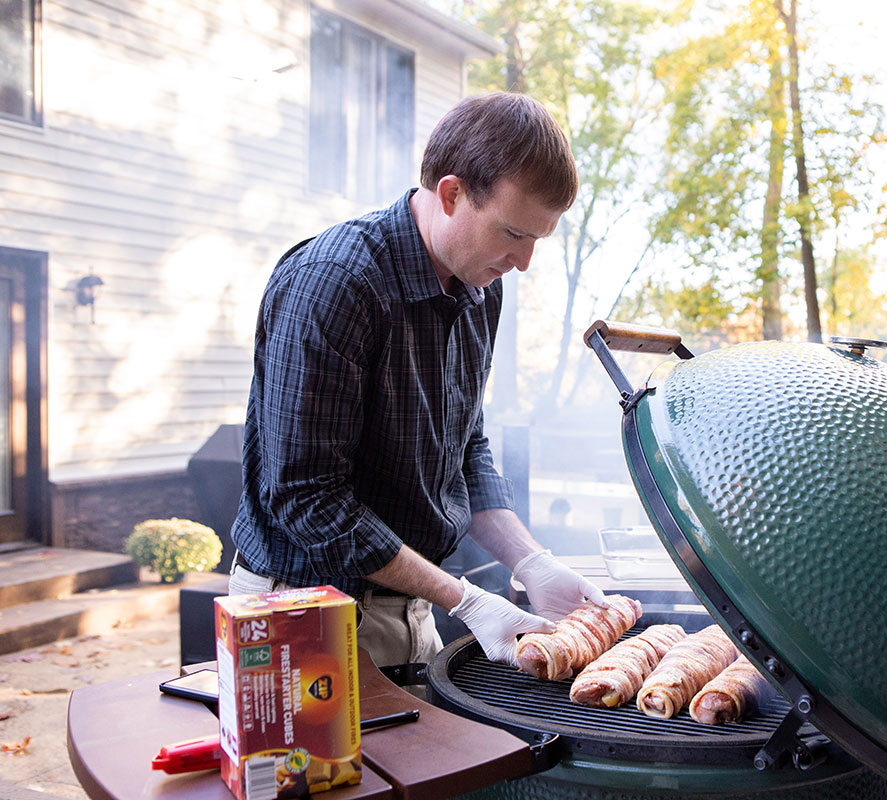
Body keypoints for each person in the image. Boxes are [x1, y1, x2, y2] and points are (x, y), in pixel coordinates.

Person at [228, 92, 606, 671]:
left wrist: (532, 562)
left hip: (413, 606)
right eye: (514, 234)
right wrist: (468, 599)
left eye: (537, 239)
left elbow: (466, 448)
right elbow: (307, 498)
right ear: (452, 193)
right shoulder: (335, 282)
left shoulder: (480, 286)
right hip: (302, 611)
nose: (524, 261)